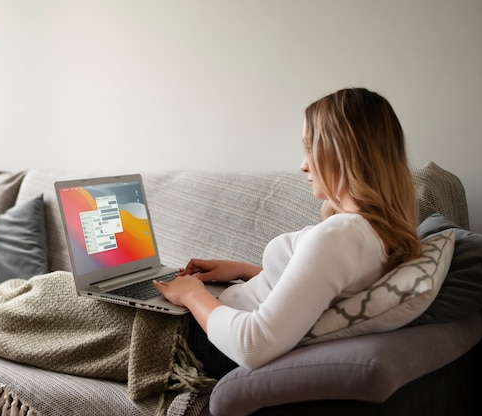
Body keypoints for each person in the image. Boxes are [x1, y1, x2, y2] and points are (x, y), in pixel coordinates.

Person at [154, 87, 423, 378]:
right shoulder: (377, 231)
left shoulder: (340, 236)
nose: (303, 165)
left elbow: (252, 345)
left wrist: (192, 296)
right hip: (220, 315)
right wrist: (243, 270)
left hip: (205, 341)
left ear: (344, 152)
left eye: (310, 148)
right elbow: (314, 291)